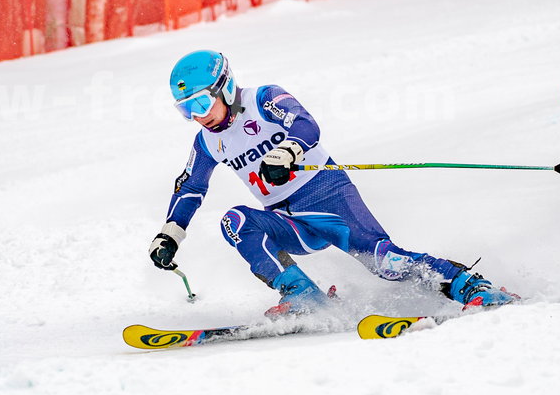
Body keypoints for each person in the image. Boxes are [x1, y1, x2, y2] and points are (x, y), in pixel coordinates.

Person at [149, 49, 517, 318]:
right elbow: (190, 187)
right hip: (288, 220)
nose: (198, 116)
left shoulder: (263, 99)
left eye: (200, 102)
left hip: (329, 198)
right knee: (235, 221)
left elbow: (305, 125)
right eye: (186, 109)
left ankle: (469, 285)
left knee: (386, 264)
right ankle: (303, 297)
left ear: (224, 88)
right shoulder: (207, 140)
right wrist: (171, 234)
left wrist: (287, 152)